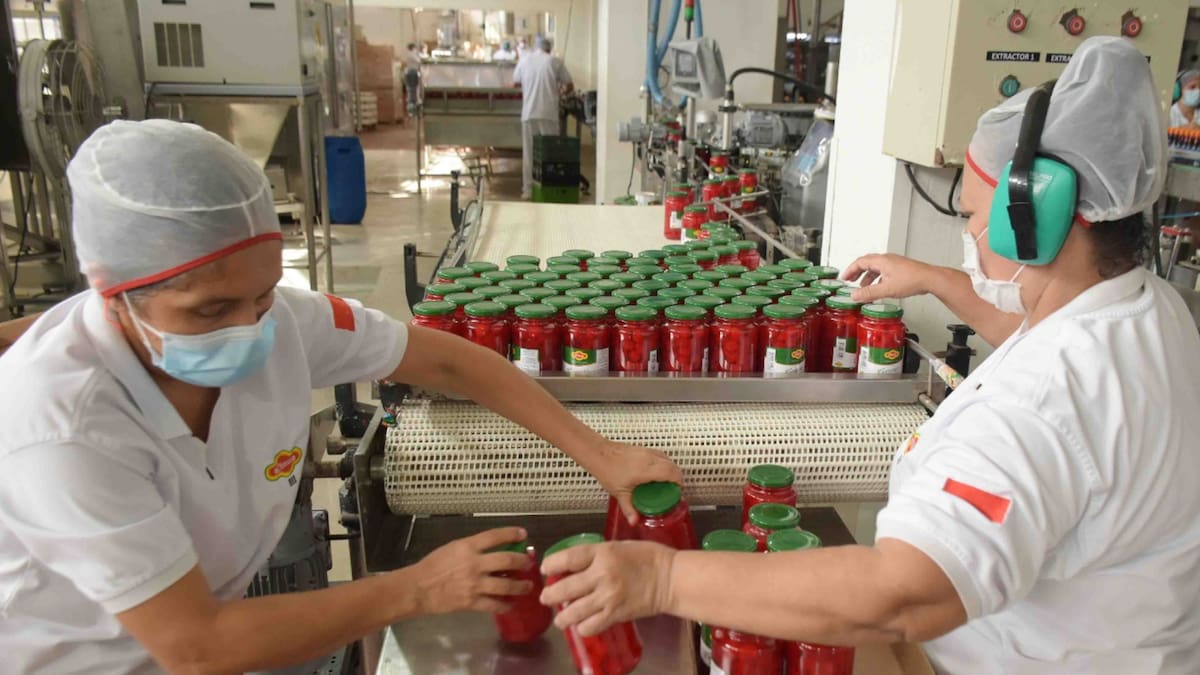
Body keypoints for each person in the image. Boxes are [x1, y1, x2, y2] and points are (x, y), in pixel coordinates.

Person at [540, 36, 1200, 673]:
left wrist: (662, 577)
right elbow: (1038, 334)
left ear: (1037, 216)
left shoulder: (1042, 401)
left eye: (974, 216)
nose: (970, 233)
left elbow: (900, 596)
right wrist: (935, 280)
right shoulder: (1148, 308)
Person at [0, 120, 681, 673]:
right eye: (210, 310)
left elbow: (446, 359)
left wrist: (602, 454)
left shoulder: (286, 323)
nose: (250, 326)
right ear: (113, 295)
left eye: (263, 294)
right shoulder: (61, 428)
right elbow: (198, 645)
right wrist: (417, 588)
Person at [512, 36, 573, 200]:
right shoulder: (554, 61)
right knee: (550, 153)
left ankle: (527, 190)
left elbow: (515, 82)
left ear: (535, 47)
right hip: (548, 113)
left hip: (528, 113)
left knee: (529, 153)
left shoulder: (525, 60)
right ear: (548, 48)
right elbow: (569, 85)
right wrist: (559, 93)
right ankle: (548, 188)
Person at [402, 42, 423, 117]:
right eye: (415, 48)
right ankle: (412, 110)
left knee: (414, 90)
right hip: (412, 73)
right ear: (413, 48)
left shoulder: (411, 54)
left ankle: (413, 108)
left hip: (412, 72)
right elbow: (419, 61)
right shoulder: (411, 54)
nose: (416, 49)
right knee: (412, 90)